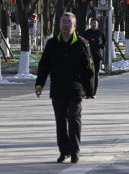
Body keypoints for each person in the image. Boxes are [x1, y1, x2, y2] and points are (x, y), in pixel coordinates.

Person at [36, 12, 95, 164]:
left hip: (76, 89)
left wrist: (90, 90)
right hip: (58, 89)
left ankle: (75, 151)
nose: (66, 24)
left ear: (74, 26)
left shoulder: (82, 43)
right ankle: (64, 151)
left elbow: (89, 68)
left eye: (69, 22)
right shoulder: (52, 44)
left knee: (74, 119)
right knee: (61, 122)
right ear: (59, 25)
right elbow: (44, 65)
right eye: (63, 21)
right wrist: (39, 84)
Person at [82, 18, 104, 97]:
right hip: (88, 57)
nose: (93, 24)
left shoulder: (100, 33)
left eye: (95, 23)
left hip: (97, 57)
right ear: (90, 24)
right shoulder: (86, 33)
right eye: (92, 23)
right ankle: (86, 92)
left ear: (97, 25)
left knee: (95, 75)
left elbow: (104, 43)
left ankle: (93, 93)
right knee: (87, 74)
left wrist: (100, 50)